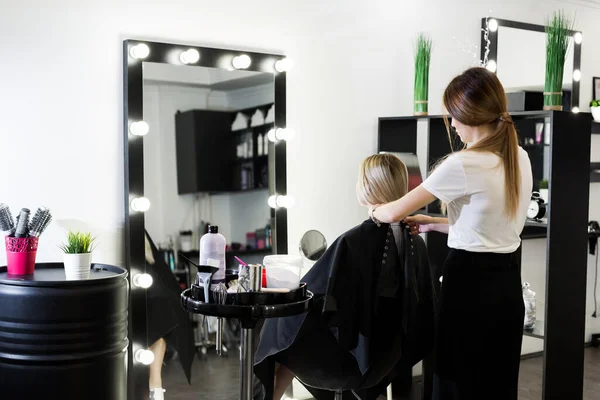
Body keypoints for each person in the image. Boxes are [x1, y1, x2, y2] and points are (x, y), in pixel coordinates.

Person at [370, 67, 533, 400]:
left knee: (457, 382)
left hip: (469, 288)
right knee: (494, 384)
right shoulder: (519, 156)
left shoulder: (464, 163)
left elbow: (392, 211)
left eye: (452, 117)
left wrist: (371, 207)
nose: (452, 124)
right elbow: (492, 227)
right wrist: (434, 223)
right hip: (506, 288)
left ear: (466, 116)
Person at [254, 153, 435, 400]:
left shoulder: (354, 241)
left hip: (352, 360)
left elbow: (316, 292)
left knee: (279, 336)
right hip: (390, 355)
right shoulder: (416, 240)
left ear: (368, 188)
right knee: (289, 335)